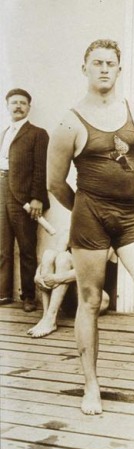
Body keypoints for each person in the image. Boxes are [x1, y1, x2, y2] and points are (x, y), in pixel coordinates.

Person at [48, 39, 134, 415]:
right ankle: (91, 386)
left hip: (132, 217)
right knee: (90, 302)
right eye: (97, 63)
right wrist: (86, 212)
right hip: (89, 219)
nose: (104, 68)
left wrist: (125, 200)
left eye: (111, 63)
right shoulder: (69, 121)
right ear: (85, 68)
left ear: (119, 70)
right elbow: (55, 183)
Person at [0, 89, 49, 312]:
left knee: (27, 247)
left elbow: (41, 168)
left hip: (24, 196)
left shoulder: (37, 134)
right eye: (13, 103)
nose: (18, 106)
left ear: (29, 107)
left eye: (22, 103)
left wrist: (37, 198)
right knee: (2, 246)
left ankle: (29, 296)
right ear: (7, 106)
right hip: (1, 189)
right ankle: (3, 294)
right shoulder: (4, 132)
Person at [27, 231, 111, 339]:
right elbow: (50, 258)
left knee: (64, 258)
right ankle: (46, 317)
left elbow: (89, 270)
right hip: (68, 299)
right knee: (49, 253)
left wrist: (57, 278)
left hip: (91, 299)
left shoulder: (107, 238)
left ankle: (50, 318)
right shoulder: (70, 232)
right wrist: (37, 275)